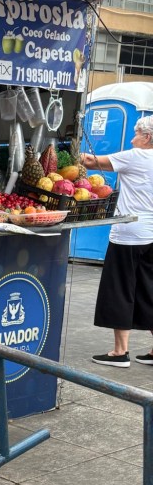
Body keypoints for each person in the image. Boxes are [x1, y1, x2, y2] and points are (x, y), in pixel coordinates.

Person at [81, 115, 153, 368]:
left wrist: (73, 151)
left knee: (121, 289)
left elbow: (91, 161)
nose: (132, 139)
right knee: (148, 290)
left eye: (136, 133)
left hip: (128, 234)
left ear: (148, 137)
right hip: (151, 234)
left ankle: (120, 352)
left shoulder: (136, 156)